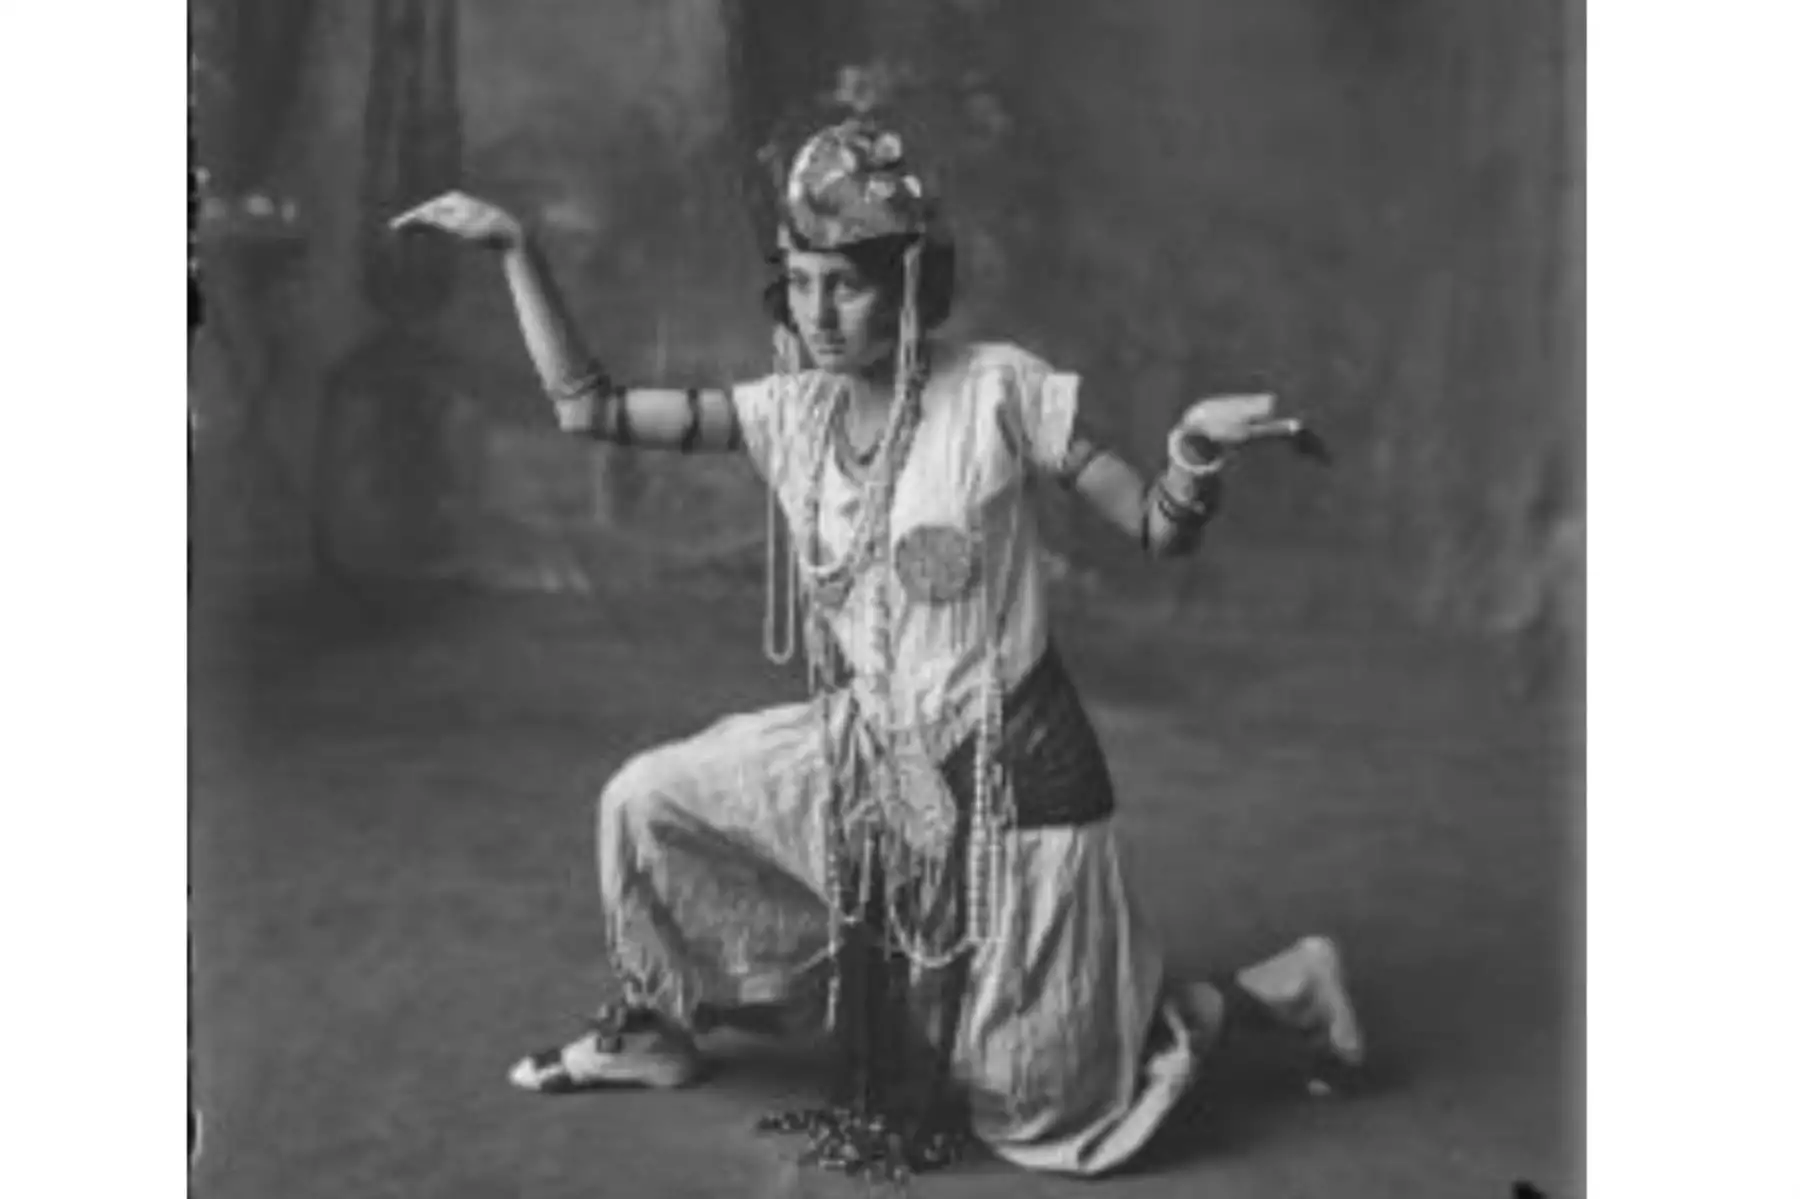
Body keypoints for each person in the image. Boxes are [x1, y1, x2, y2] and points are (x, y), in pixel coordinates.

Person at [392, 115, 1363, 1180]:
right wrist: (517, 251)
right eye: (800, 281)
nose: (817, 311)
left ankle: (1278, 990)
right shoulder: (787, 412)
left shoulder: (1001, 390)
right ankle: (657, 1030)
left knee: (1034, 1106)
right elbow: (592, 410)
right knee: (647, 797)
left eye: (844, 284)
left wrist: (1191, 455)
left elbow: (1156, 530)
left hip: (1015, 783)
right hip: (874, 757)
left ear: (907, 282)